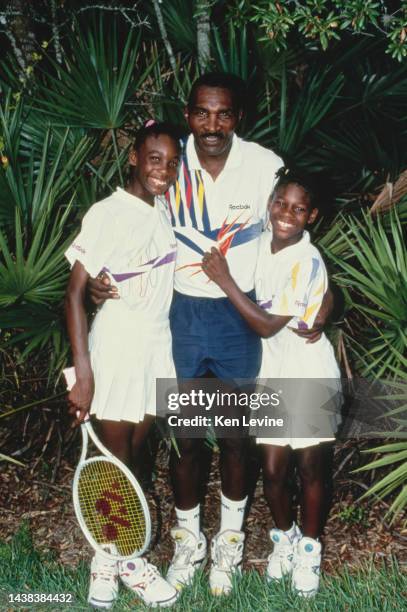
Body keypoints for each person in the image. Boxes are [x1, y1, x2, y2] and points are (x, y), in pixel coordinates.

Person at [88, 73, 332, 597]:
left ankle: (229, 543)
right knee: (188, 441)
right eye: (202, 113)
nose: (212, 125)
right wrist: (97, 285)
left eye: (223, 114)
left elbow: (296, 237)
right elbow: (129, 232)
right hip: (181, 316)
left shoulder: (265, 165)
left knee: (238, 439)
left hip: (239, 319)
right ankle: (188, 543)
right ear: (189, 113)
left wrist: (326, 301)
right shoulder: (170, 159)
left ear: (237, 116)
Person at [201, 170, 342, 598]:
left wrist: (223, 280)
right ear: (270, 203)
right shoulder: (260, 242)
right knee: (274, 469)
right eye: (281, 203)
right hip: (274, 372)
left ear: (311, 216)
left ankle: (310, 552)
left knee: (310, 467)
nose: (287, 214)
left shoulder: (307, 259)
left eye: (299, 209)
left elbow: (265, 325)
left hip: (309, 370)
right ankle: (285, 538)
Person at [64, 122, 182, 609]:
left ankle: (108, 558)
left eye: (172, 163)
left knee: (134, 458)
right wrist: (84, 373)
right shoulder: (106, 212)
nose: (164, 170)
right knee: (117, 468)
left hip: (156, 349)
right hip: (114, 348)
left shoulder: (166, 209)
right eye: (155, 159)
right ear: (134, 157)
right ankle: (122, 564)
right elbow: (73, 294)